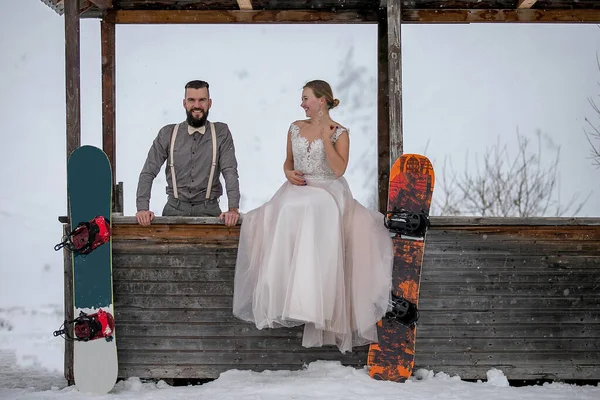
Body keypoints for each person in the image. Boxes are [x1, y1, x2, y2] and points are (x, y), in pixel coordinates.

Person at [232, 80, 393, 353]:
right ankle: (284, 295)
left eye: (306, 98)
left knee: (312, 208)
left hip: (328, 189)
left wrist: (324, 139)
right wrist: (287, 173)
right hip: (298, 186)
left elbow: (339, 169)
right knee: (280, 211)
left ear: (322, 100)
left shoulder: (339, 132)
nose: (302, 103)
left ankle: (311, 300)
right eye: (302, 99)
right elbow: (288, 162)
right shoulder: (295, 127)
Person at [135, 80, 240, 227]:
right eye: (192, 100)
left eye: (202, 100)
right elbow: (148, 172)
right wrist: (142, 209)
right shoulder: (167, 133)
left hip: (210, 213)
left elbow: (230, 172)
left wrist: (233, 209)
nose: (197, 105)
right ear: (184, 103)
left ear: (209, 103)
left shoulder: (221, 133)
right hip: (173, 213)